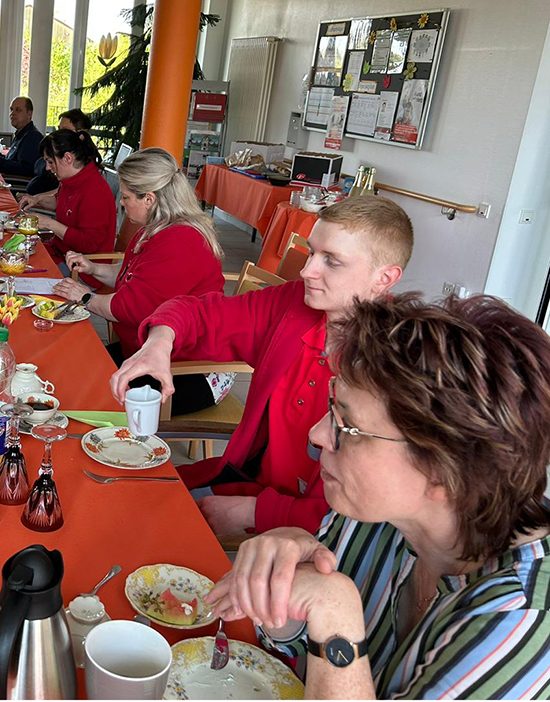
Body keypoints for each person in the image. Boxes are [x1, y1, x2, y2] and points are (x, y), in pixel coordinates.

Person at [205, 294, 550, 699]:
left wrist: (336, 615)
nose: (317, 435)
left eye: (347, 427)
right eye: (332, 409)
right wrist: (285, 592)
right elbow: (296, 647)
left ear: (442, 472)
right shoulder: (370, 508)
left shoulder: (519, 622)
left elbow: (331, 629)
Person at [111, 196, 414, 536]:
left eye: (332, 261)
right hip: (245, 483)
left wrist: (260, 512)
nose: (307, 270)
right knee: (124, 498)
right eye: (312, 253)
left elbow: (365, 521)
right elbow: (199, 313)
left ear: (384, 278)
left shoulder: (397, 370)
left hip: (307, 536)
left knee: (138, 529)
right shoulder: (293, 304)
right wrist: (159, 343)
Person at [52, 148, 230, 413]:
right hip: (146, 352)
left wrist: (84, 297)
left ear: (149, 198)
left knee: (80, 390)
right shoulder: (155, 229)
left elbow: (128, 308)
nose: (122, 203)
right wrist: (93, 268)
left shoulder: (180, 241)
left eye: (125, 197)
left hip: (186, 371)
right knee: (68, 365)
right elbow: (130, 275)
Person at [31, 128, 116, 281]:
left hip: (82, 271)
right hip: (61, 254)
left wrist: (50, 224)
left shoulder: (95, 191)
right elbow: (62, 204)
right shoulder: (72, 181)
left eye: (50, 162)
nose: (47, 168)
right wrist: (36, 200)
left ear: (68, 158)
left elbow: (89, 244)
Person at [22, 108, 92, 199]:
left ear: (81, 135)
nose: (58, 134)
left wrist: (36, 198)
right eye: (59, 129)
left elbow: (62, 195)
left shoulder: (78, 163)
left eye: (65, 131)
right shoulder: (58, 154)